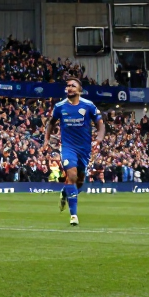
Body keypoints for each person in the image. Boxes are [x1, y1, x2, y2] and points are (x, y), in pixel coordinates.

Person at [44, 78, 104, 227]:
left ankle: (65, 192)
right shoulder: (59, 107)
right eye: (68, 85)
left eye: (73, 85)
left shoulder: (88, 106)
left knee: (79, 182)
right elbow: (51, 123)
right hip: (68, 147)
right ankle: (74, 216)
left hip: (84, 149)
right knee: (71, 176)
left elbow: (100, 125)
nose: (69, 87)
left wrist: (98, 140)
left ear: (79, 90)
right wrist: (46, 140)